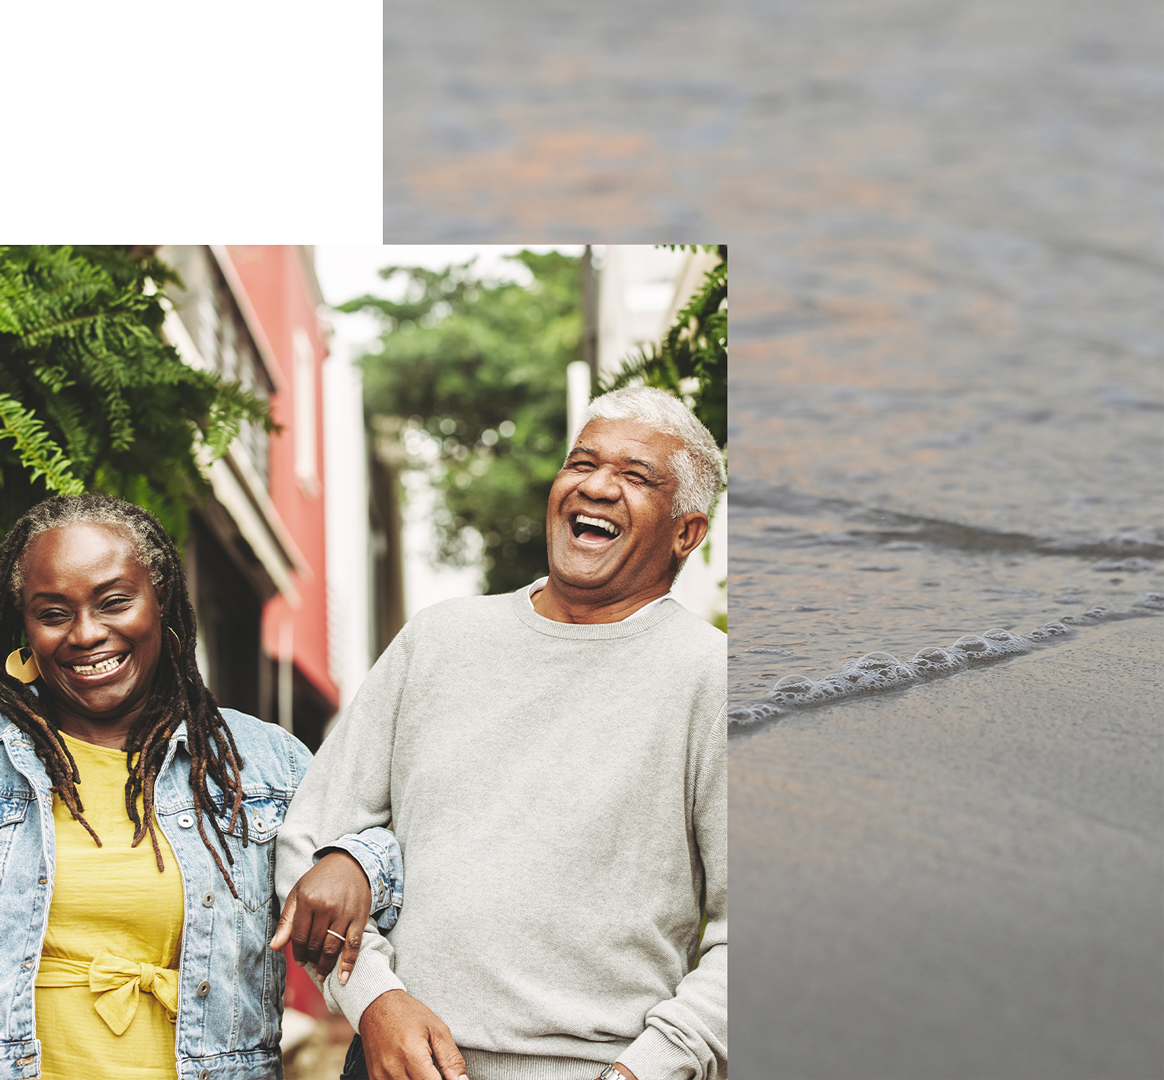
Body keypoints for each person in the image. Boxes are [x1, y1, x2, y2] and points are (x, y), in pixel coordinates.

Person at [275, 386, 727, 1080]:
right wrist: (372, 1000)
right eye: (582, 463)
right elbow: (310, 839)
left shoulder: (714, 679)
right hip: (396, 1062)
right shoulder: (439, 640)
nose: (597, 486)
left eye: (636, 476)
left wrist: (647, 1072)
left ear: (686, 532)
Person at [0, 493, 402, 1080]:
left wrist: (356, 860)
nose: (86, 634)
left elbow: (401, 863)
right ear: (26, 628)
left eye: (114, 602)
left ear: (160, 603)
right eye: (54, 613)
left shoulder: (262, 766)